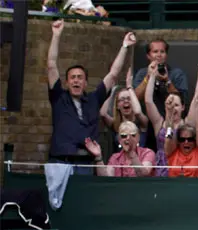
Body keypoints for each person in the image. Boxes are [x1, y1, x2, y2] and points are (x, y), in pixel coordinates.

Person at [46, 20, 136, 176]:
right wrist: (56, 35)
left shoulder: (94, 99)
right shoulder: (58, 97)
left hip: (86, 163)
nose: (76, 80)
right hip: (60, 162)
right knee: (57, 201)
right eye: (72, 77)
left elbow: (113, 74)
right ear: (67, 82)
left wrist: (125, 46)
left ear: (85, 82)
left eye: (80, 77)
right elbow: (51, 64)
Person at [134, 39, 189, 151]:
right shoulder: (142, 73)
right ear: (148, 56)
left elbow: (182, 99)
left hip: (171, 126)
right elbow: (135, 98)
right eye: (155, 52)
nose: (159, 55)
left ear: (166, 55)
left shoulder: (176, 73)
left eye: (162, 51)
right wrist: (148, 77)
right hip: (147, 126)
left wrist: (167, 80)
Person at [100, 68, 149, 149]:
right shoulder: (115, 124)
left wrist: (129, 87)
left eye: (129, 98)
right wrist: (111, 91)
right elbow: (103, 113)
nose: (126, 101)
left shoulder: (142, 123)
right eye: (122, 99)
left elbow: (137, 112)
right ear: (118, 106)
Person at [87, 121, 156, 177]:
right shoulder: (115, 158)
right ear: (119, 140)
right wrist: (99, 157)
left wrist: (131, 153)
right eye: (124, 136)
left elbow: (143, 174)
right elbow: (105, 178)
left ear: (138, 138)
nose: (128, 138)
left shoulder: (147, 153)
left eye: (133, 135)